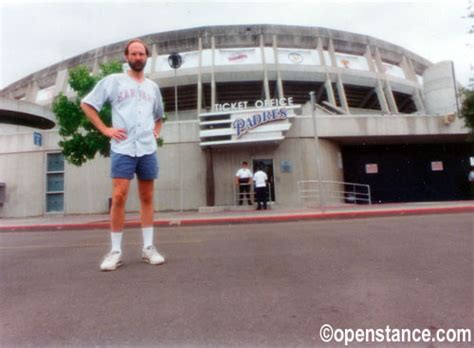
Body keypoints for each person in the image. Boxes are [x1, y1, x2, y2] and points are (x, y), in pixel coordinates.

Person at [80, 39, 165, 271]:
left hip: (147, 148)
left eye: (142, 54)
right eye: (134, 54)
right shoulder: (114, 81)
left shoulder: (153, 88)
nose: (138, 57)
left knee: (147, 197)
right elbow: (87, 104)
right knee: (119, 196)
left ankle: (148, 248)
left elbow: (159, 116)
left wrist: (156, 132)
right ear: (126, 56)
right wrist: (105, 129)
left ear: (147, 57)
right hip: (123, 148)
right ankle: (115, 251)